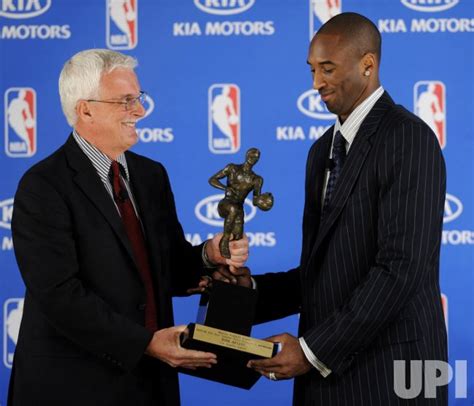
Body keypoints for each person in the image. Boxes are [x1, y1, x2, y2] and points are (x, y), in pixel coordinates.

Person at [217, 12, 448, 405]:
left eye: (327, 69)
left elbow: (398, 270)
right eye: (311, 69)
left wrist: (311, 352)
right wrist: (251, 291)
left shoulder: (409, 139)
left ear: (368, 65)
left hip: (394, 376)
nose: (316, 83)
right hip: (328, 380)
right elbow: (323, 272)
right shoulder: (321, 150)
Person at [7, 49, 248, 406]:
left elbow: (167, 269)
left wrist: (208, 255)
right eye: (125, 101)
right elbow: (59, 295)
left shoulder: (151, 175)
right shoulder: (43, 185)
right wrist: (146, 343)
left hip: (149, 385)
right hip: (73, 388)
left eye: (139, 98)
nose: (140, 110)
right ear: (85, 108)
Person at [209, 148, 273, 258]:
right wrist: (225, 188)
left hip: (239, 209)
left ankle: (230, 266)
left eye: (256, 157)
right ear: (247, 155)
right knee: (234, 209)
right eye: (252, 156)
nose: (253, 159)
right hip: (225, 205)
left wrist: (263, 201)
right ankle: (224, 240)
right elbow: (212, 179)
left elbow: (254, 200)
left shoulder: (257, 180)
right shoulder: (232, 168)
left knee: (238, 238)